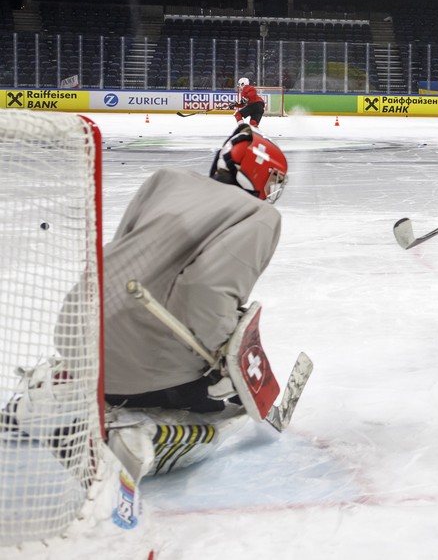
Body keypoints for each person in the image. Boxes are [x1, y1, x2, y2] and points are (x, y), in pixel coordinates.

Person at [7, 123, 290, 477]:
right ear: (258, 173)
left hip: (78, 333)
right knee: (222, 399)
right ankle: (135, 432)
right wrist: (222, 366)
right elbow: (205, 291)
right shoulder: (260, 216)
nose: (274, 189)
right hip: (142, 364)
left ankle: (58, 391)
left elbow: (124, 251)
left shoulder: (166, 179)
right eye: (274, 179)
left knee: (126, 353)